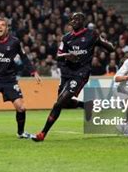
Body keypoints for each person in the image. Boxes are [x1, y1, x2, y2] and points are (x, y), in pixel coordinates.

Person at [31, 12, 114, 142]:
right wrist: (67, 56)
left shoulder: (92, 34)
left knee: (58, 103)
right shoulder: (66, 38)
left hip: (80, 74)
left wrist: (106, 46)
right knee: (65, 103)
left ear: (83, 21)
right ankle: (85, 105)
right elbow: (58, 55)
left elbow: (110, 48)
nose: (74, 21)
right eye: (72, 19)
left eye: (77, 18)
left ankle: (42, 133)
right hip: (66, 73)